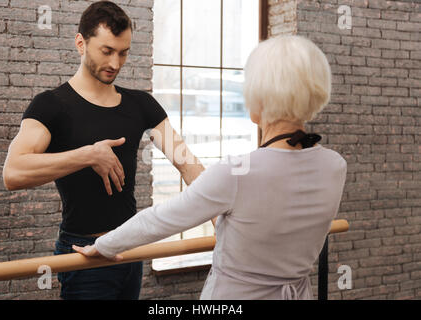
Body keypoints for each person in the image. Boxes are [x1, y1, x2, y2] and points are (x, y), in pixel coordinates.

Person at [73, 35, 348, 300]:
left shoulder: (238, 173)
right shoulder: (335, 166)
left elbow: (159, 220)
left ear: (261, 95)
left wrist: (102, 246)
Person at [2, 1, 204, 300]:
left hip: (129, 250)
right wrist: (88, 155)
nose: (115, 63)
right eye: (106, 51)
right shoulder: (51, 105)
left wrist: (223, 218)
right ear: (80, 43)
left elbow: (187, 164)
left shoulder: (141, 104)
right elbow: (13, 173)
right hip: (85, 256)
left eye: (123, 53)